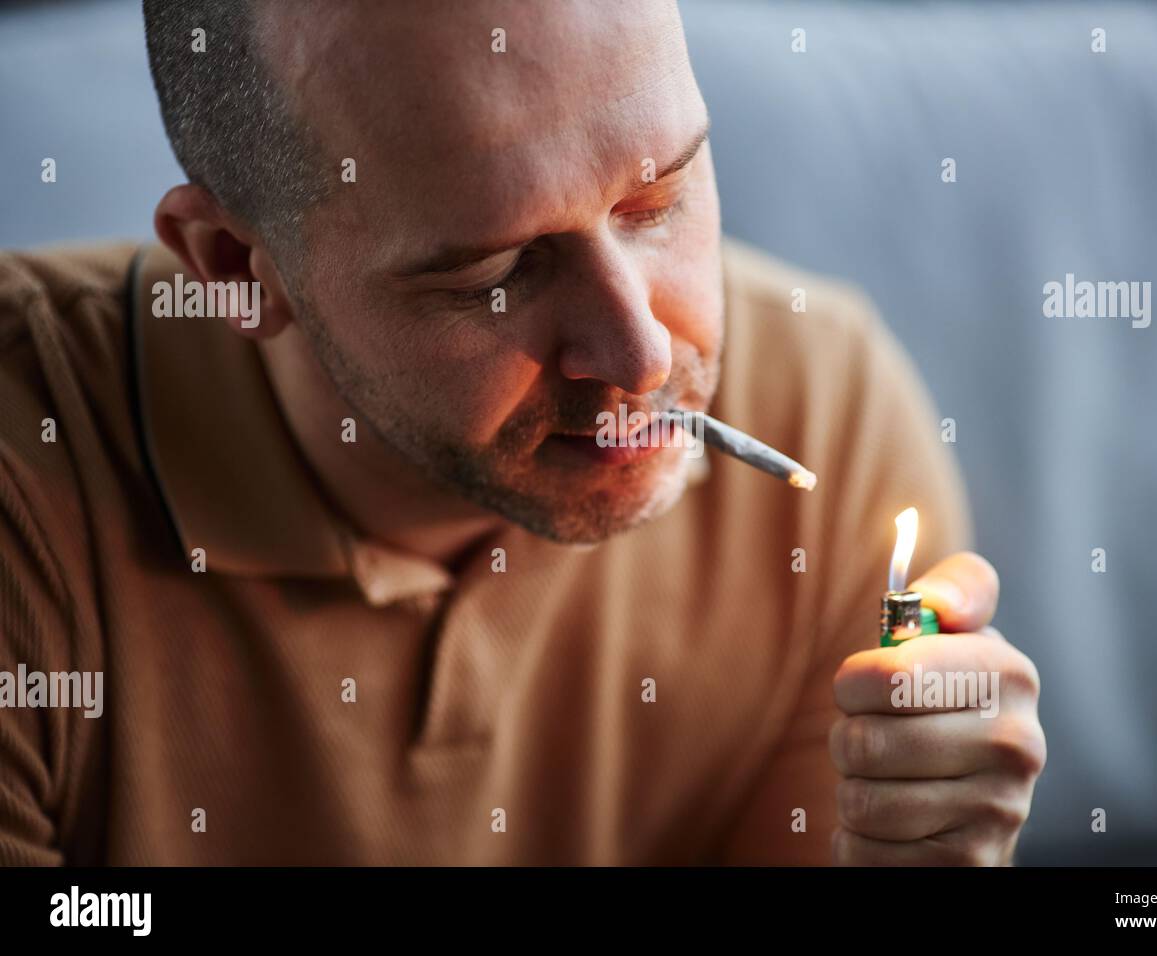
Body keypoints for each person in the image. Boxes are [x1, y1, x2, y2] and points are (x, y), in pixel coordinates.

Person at [0, 0, 1043, 865]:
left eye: (657, 198)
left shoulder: (829, 409)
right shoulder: (26, 491)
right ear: (234, 266)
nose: (639, 353)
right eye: (496, 275)